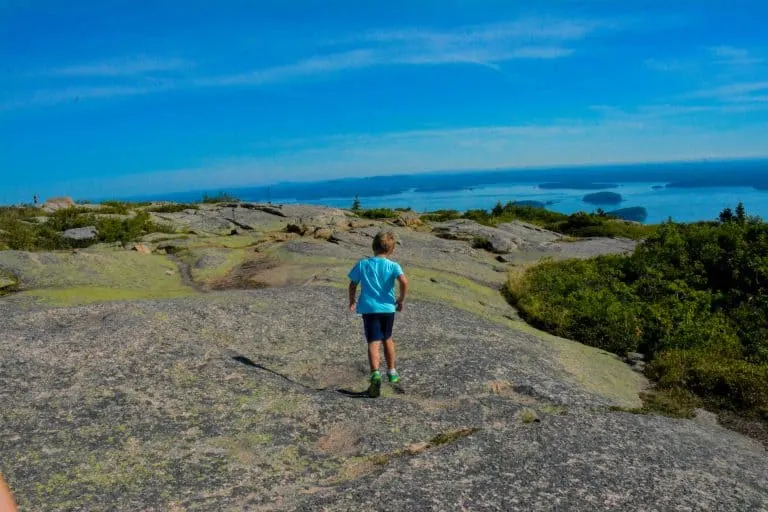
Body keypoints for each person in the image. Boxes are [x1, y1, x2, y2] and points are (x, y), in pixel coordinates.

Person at [348, 230, 409, 398]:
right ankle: (392, 372)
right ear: (391, 250)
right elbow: (404, 281)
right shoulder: (393, 266)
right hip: (388, 309)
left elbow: (353, 284)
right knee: (387, 338)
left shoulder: (363, 264)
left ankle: (375, 374)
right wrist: (401, 299)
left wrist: (352, 300)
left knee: (373, 341)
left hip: (369, 309)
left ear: (373, 246)